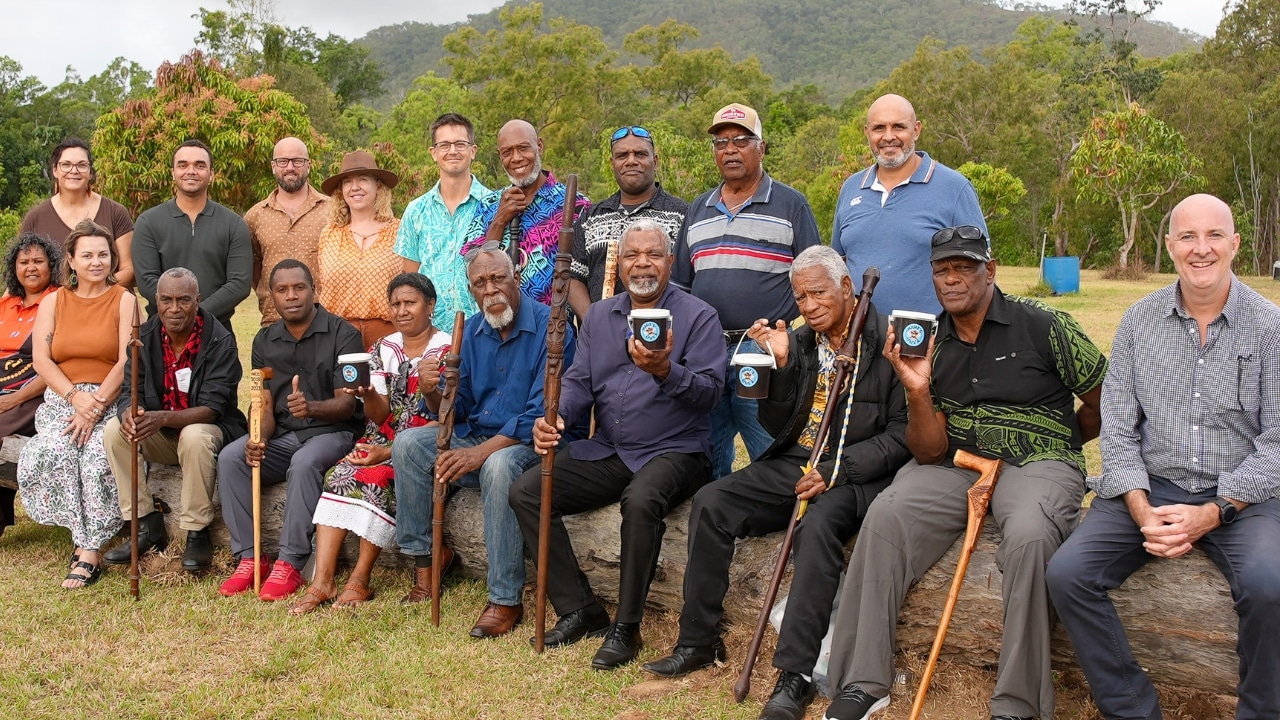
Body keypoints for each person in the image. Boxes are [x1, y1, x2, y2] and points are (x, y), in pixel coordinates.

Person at [822, 225, 1108, 720]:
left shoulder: (1044, 325)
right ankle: (863, 681)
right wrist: (917, 389)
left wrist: (1058, 442)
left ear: (990, 270)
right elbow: (929, 452)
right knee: (887, 512)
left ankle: (1018, 704)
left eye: (964, 268)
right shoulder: (931, 341)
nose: (952, 279)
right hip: (957, 463)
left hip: (1037, 462)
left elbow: (1105, 399)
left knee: (1032, 536)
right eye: (942, 270)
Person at [643, 246, 911, 720]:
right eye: (800, 297)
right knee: (712, 501)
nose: (809, 306)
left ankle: (795, 675)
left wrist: (838, 470)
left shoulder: (887, 343)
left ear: (847, 288)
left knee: (817, 526)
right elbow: (775, 421)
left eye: (818, 293)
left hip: (855, 473)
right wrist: (782, 369)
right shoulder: (803, 343)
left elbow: (903, 436)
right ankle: (698, 641)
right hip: (796, 462)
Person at [1046, 194, 1280, 720]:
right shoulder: (1137, 323)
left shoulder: (1271, 328)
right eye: (1188, 237)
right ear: (1170, 246)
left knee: (1270, 586)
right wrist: (1139, 506)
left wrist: (1214, 512)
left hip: (1244, 492)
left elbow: (1278, 446)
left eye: (1215, 236)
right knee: (1068, 574)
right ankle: (1132, 708)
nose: (1202, 249)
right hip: (1152, 483)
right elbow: (1120, 431)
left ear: (1235, 245)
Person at [510, 219, 724, 670]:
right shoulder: (602, 319)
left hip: (677, 449)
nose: (641, 263)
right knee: (527, 490)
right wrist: (558, 416)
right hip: (611, 449)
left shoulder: (698, 316)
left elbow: (709, 394)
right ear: (619, 264)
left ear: (669, 261)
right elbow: (578, 382)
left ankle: (626, 627)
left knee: (642, 499)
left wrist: (665, 370)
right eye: (632, 255)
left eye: (652, 254)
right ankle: (580, 609)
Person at [394, 245, 571, 637]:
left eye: (498, 278)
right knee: (408, 444)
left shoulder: (552, 326)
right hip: (478, 433)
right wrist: (430, 392)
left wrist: (478, 453)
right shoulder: (471, 331)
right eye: (480, 282)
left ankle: (505, 598)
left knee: (498, 465)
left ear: (517, 278)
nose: (490, 289)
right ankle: (428, 561)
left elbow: (542, 412)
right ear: (471, 290)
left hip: (530, 443)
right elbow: (458, 406)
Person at [673, 102, 822, 480]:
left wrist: (790, 338)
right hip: (705, 351)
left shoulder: (791, 204)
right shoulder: (698, 209)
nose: (730, 150)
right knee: (708, 449)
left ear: (762, 147)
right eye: (721, 143)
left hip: (762, 349)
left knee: (769, 448)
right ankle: (713, 526)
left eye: (741, 140)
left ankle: (781, 530)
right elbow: (680, 286)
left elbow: (816, 281)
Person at [289, 273, 450, 615]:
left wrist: (389, 452)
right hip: (383, 436)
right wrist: (368, 394)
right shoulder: (382, 348)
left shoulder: (448, 349)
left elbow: (446, 419)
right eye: (395, 304)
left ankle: (360, 578)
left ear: (430, 305)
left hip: (424, 443)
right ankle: (323, 580)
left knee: (376, 478)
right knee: (339, 474)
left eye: (410, 302)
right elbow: (378, 418)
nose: (401, 310)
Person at [216, 259, 363, 601]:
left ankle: (291, 562)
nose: (291, 296)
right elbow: (264, 405)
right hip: (285, 435)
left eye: (299, 288)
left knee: (305, 462)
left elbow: (347, 405)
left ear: (315, 291)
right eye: (282, 290)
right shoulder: (265, 340)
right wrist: (259, 439)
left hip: (335, 433)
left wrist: (312, 407)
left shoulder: (344, 333)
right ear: (271, 297)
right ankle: (250, 558)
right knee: (232, 457)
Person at [99, 268, 246, 573]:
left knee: (194, 434)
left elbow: (213, 408)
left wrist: (162, 417)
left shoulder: (220, 341)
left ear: (198, 300)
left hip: (208, 436)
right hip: (162, 434)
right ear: (156, 300)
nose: (174, 308)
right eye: (166, 299)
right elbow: (129, 391)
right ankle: (145, 525)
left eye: (184, 300)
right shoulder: (143, 339)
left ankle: (196, 531)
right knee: (115, 431)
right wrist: (128, 412)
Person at [17, 219, 136, 589]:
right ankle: (81, 531)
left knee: (97, 456)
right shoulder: (54, 301)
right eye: (87, 255)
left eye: (103, 254)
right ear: (70, 259)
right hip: (63, 400)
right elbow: (42, 360)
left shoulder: (126, 300)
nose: (96, 262)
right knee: (55, 452)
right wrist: (75, 398)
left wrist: (97, 404)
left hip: (109, 398)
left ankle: (88, 551)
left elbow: (127, 360)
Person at [830, 94, 987, 316]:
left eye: (898, 127)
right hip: (858, 341)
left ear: (916, 130)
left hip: (930, 341)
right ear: (867, 132)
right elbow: (839, 264)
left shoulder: (954, 188)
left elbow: (981, 271)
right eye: (879, 128)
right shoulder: (851, 188)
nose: (888, 136)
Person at [460, 119, 589, 305]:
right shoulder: (487, 206)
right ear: (499, 155)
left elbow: (586, 277)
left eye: (523, 148)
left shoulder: (576, 205)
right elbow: (473, 271)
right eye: (507, 152)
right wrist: (499, 220)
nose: (516, 158)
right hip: (499, 326)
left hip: (553, 329)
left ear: (539, 146)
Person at [568, 125, 688, 319]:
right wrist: (594, 322)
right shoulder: (590, 218)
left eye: (640, 154)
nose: (631, 161)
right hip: (604, 340)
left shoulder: (682, 215)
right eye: (622, 155)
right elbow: (572, 277)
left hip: (664, 335)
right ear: (612, 163)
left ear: (655, 161)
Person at [132, 139, 252, 329]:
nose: (191, 171)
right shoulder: (148, 222)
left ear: (211, 174)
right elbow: (147, 281)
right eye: (183, 165)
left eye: (200, 165)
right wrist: (178, 311)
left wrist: (198, 315)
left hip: (216, 332)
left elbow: (239, 283)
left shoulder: (233, 224)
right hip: (162, 332)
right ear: (173, 173)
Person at [395, 113, 490, 330]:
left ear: (473, 151)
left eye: (460, 144)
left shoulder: (493, 206)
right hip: (431, 334)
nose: (453, 151)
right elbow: (411, 280)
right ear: (434, 153)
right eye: (444, 145)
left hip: (483, 329)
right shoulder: (415, 211)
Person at [0, 233, 62, 535]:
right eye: (23, 261)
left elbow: (55, 365)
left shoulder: (60, 303)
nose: (31, 267)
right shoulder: (5, 303)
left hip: (35, 392)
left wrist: (14, 399)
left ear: (52, 265)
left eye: (39, 261)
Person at [316, 151, 404, 349]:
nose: (354, 187)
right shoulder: (329, 234)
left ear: (378, 186)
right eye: (347, 182)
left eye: (363, 180)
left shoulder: (400, 231)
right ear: (341, 191)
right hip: (337, 335)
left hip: (389, 335)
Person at [21, 137, 135, 287]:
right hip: (55, 305)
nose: (73, 171)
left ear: (90, 172)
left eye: (82, 165)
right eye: (66, 165)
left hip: (109, 303)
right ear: (55, 170)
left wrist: (92, 294)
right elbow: (21, 269)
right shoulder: (36, 218)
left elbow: (129, 269)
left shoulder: (115, 212)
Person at [244, 137, 329, 327]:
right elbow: (254, 265)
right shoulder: (255, 215)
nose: (290, 167)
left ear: (309, 165)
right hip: (273, 318)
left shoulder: (332, 210)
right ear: (274, 166)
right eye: (283, 161)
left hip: (324, 318)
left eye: (297, 161)